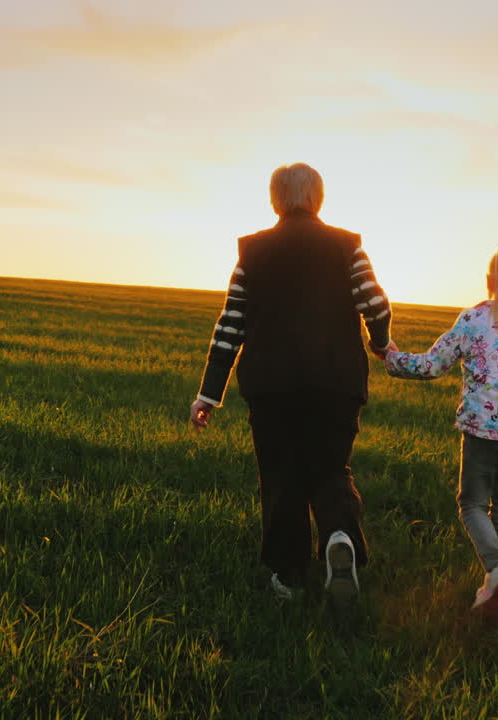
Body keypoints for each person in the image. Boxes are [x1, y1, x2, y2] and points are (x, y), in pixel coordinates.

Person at [189, 162, 393, 605]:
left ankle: (289, 574)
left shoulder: (253, 252)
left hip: (271, 382)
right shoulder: (347, 246)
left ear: (274, 201)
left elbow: (230, 326)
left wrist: (209, 392)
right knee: (330, 465)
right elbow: (375, 303)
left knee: (281, 474)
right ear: (318, 198)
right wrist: (380, 342)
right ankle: (340, 535)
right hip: (336, 380)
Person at [383, 238, 498, 616]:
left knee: (472, 504)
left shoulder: (473, 320)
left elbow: (431, 365)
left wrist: (391, 357)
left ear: (489, 281)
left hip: (482, 432)